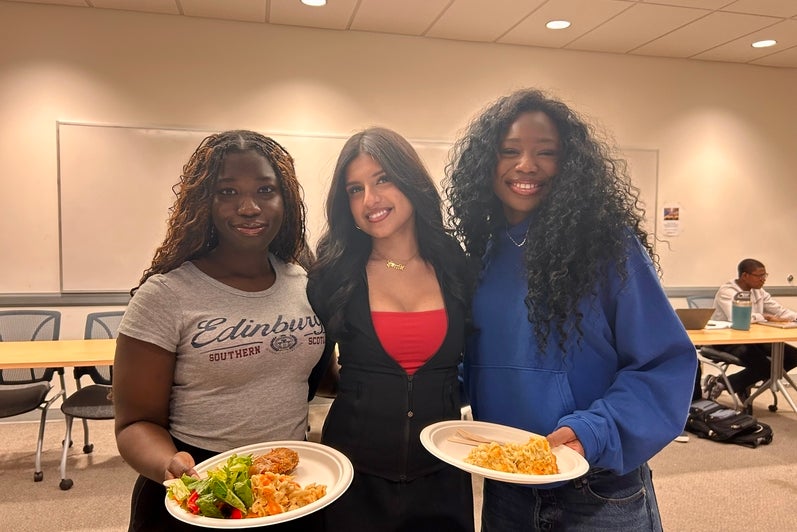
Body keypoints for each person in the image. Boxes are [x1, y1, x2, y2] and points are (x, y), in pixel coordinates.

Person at [444, 88, 697, 531]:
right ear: (486, 163)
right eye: (509, 151)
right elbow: (476, 366)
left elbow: (664, 364)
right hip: (508, 483)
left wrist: (595, 431)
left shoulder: (608, 248)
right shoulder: (482, 255)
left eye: (547, 152)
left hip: (597, 488)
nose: (527, 165)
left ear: (569, 166)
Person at [113, 130, 332, 531]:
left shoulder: (304, 281)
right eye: (227, 192)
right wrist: (170, 464)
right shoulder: (166, 294)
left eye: (265, 190)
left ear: (284, 200)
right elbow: (133, 424)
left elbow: (321, 378)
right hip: (200, 486)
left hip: (286, 489)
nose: (249, 207)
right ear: (204, 203)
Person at [306, 127, 474, 531]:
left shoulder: (457, 267)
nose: (370, 200)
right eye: (354, 189)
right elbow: (309, 373)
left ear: (411, 181)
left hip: (443, 476)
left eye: (383, 179)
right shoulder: (334, 275)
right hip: (354, 477)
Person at [705, 258, 797, 407]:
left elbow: (779, 310)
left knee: (792, 356)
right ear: (745, 276)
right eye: (759, 276)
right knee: (766, 366)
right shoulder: (727, 292)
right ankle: (737, 384)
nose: (763, 279)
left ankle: (727, 383)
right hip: (726, 340)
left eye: (765, 275)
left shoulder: (758, 291)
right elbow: (737, 318)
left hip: (754, 338)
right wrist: (764, 316)